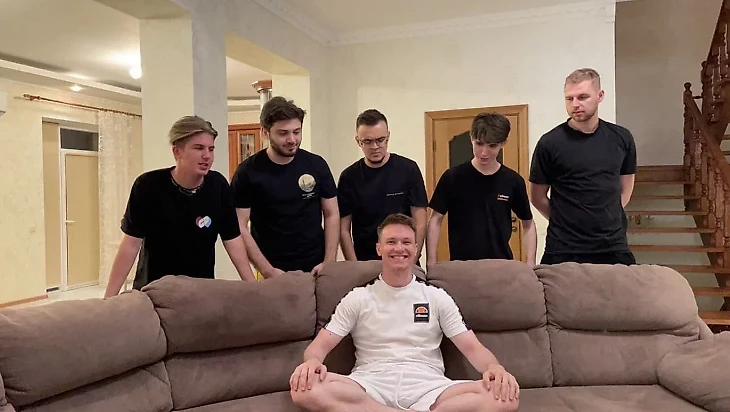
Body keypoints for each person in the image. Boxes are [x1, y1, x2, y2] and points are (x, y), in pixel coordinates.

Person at [289, 213, 519, 412]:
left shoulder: (436, 297)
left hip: (430, 386)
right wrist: (311, 362)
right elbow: (318, 347)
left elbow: (472, 347)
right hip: (370, 384)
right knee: (304, 390)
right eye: (391, 242)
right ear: (379, 248)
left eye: (406, 242)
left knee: (505, 398)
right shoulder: (358, 297)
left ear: (415, 249)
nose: (399, 248)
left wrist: (494, 368)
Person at [103, 116, 255, 297]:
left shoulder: (218, 186)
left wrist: (253, 288)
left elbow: (233, 240)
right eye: (198, 148)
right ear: (177, 152)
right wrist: (109, 298)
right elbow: (131, 244)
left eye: (211, 149)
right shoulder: (148, 185)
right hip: (154, 291)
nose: (207, 155)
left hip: (198, 292)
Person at [529, 68, 637, 265]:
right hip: (564, 248)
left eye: (582, 97)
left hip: (612, 246)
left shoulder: (621, 138)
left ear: (600, 95)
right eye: (569, 99)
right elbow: (537, 196)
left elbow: (626, 187)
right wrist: (564, 219)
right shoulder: (549, 143)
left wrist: (606, 215)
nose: (575, 104)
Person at [230, 97, 339, 277]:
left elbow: (332, 213)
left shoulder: (316, 165)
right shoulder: (248, 172)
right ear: (265, 132)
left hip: (316, 267)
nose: (292, 139)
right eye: (283, 133)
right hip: (271, 270)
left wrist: (329, 262)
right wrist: (267, 270)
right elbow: (239, 226)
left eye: (296, 132)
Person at [426, 112, 537, 268]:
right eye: (479, 144)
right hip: (462, 267)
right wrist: (431, 261)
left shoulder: (513, 181)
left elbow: (528, 224)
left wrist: (530, 263)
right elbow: (435, 220)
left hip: (501, 265)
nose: (484, 152)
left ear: (503, 143)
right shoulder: (452, 177)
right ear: (471, 138)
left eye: (492, 146)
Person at [337, 109, 428, 262]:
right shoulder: (349, 177)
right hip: (365, 262)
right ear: (358, 141)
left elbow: (420, 222)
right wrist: (354, 265)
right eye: (368, 141)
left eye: (380, 140)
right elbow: (343, 229)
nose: (375, 146)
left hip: (404, 258)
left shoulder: (408, 169)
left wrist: (412, 259)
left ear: (388, 137)